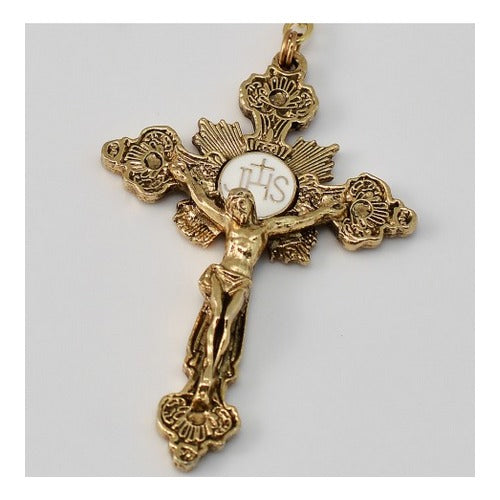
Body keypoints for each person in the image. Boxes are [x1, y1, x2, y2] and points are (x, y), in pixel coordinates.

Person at [169, 160, 345, 409]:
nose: (237, 208)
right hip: (222, 275)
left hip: (241, 282)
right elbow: (204, 202)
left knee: (228, 322)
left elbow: (297, 222)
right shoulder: (229, 224)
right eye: (233, 204)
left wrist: (325, 212)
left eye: (242, 202)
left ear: (251, 204)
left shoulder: (264, 228)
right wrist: (187, 178)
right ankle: (206, 373)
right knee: (216, 317)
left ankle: (215, 370)